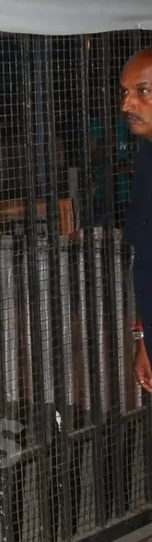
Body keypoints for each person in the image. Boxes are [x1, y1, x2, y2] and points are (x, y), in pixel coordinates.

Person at [123, 49, 152, 394]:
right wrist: (144, 338)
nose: (127, 105)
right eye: (125, 92)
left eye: (142, 91)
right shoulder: (146, 156)